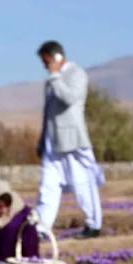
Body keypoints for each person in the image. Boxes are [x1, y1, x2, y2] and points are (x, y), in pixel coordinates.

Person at [35, 40, 104, 238]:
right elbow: (48, 114)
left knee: (82, 183)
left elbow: (70, 98)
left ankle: (93, 225)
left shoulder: (76, 74)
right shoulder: (51, 80)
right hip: (53, 143)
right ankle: (41, 228)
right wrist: (42, 141)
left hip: (72, 141)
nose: (44, 66)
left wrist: (56, 76)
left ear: (56, 57)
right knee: (47, 187)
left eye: (45, 61)